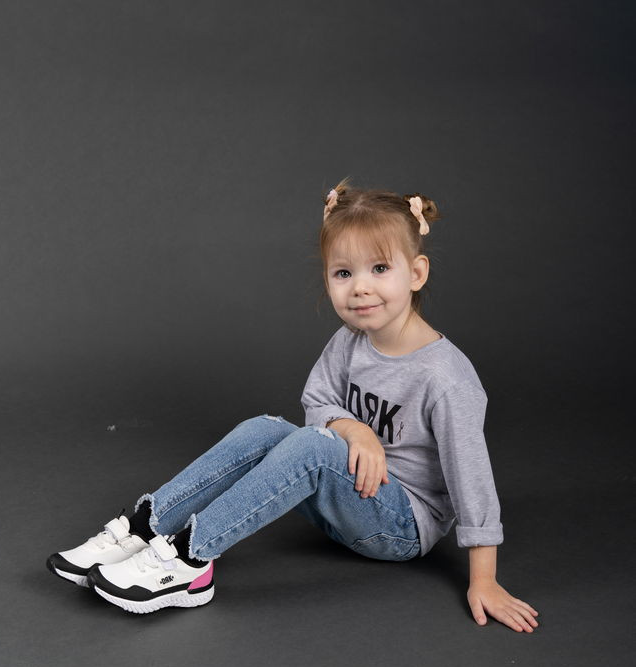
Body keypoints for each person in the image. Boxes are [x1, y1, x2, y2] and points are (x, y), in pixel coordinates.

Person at [47, 179, 539, 632]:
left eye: (379, 269)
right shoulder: (350, 341)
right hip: (346, 500)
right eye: (343, 272)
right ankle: (145, 527)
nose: (360, 287)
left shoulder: (445, 378)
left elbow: (472, 479)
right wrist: (355, 429)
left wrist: (484, 579)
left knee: (313, 445)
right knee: (265, 427)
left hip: (399, 526)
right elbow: (318, 401)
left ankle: (190, 560)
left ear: (416, 273)